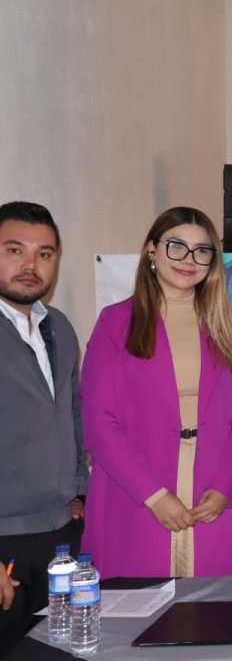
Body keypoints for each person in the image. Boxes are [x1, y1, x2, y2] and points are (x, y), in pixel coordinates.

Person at [80, 207, 232, 577]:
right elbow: (98, 423)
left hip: (213, 491)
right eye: (176, 246)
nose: (189, 259)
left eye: (202, 250)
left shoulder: (228, 325)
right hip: (135, 491)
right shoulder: (116, 322)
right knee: (139, 606)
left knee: (215, 605)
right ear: (152, 251)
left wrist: (225, 486)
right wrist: (154, 495)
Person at [0, 202, 86, 652]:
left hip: (58, 537)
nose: (30, 265)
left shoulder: (60, 328)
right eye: (14, 250)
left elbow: (72, 414)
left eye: (45, 254)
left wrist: (79, 491)